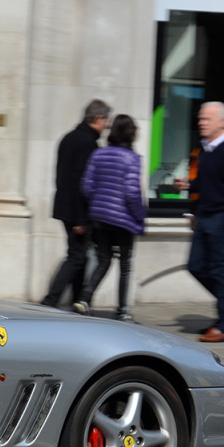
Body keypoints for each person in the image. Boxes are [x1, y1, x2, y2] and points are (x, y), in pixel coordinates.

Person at [174, 101, 224, 342]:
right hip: (205, 217)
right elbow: (208, 183)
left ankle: (223, 325)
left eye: (206, 119)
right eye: (200, 118)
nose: (201, 122)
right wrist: (189, 185)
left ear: (223, 122)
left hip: (222, 219)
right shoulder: (207, 149)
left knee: (218, 268)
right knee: (195, 266)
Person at [74, 114, 146, 321]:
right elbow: (132, 193)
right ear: (130, 134)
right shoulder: (132, 158)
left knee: (103, 259)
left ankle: (85, 298)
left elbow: (86, 185)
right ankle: (123, 309)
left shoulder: (99, 154)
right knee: (125, 264)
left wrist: (98, 204)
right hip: (123, 220)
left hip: (99, 217)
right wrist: (139, 217)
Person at [41, 99, 111, 308]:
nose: (107, 126)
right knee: (77, 256)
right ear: (98, 118)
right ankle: (50, 301)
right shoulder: (87, 143)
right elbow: (80, 182)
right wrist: (82, 218)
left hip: (65, 205)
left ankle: (78, 302)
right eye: (106, 120)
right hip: (75, 209)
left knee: (80, 257)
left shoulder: (69, 137)